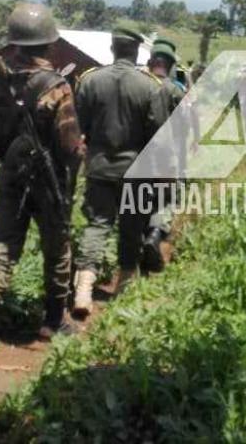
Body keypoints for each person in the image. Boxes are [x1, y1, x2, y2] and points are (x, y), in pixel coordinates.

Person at [0, 3, 84, 340]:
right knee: (57, 248)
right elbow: (70, 146)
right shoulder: (57, 86)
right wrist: (79, 155)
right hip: (50, 182)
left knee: (2, 250)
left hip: (11, 175)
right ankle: (53, 320)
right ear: (49, 44)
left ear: (15, 43)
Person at [72, 28, 168, 317]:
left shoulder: (90, 81)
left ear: (113, 48)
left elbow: (78, 128)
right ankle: (123, 291)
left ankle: (83, 291)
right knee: (131, 229)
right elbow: (159, 135)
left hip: (99, 168)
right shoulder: (151, 86)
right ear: (137, 51)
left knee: (97, 224)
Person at [142, 38, 185, 272]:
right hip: (167, 157)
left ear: (150, 61)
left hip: (138, 156)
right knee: (167, 199)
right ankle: (156, 233)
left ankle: (139, 244)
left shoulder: (139, 85)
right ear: (169, 64)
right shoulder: (175, 91)